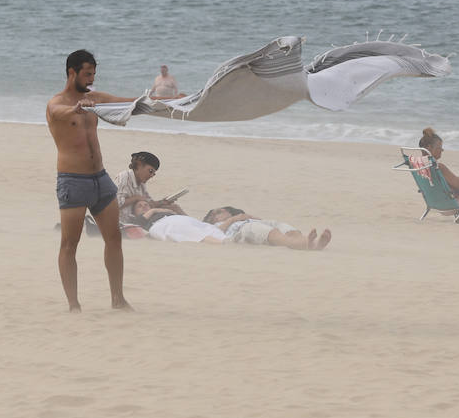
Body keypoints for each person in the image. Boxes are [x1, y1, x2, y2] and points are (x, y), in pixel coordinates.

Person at [47, 49, 179, 312]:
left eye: (94, 74)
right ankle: (74, 305)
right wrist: (75, 108)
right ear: (72, 72)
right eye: (87, 74)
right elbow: (59, 112)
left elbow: (130, 102)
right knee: (70, 244)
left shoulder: (94, 99)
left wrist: (175, 101)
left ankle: (118, 299)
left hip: (101, 180)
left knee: (114, 238)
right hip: (73, 182)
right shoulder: (57, 103)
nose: (91, 79)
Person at [202, 206, 331, 250]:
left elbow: (260, 220)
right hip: (243, 229)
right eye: (217, 213)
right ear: (212, 219)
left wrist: (246, 216)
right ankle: (306, 244)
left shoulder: (240, 216)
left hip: (254, 222)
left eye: (222, 210)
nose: (222, 211)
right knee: (273, 233)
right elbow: (217, 233)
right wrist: (234, 219)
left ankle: (312, 243)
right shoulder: (215, 226)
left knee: (286, 228)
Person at [114, 151, 183, 230]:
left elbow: (149, 203)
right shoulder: (124, 177)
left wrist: (163, 202)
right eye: (150, 171)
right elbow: (114, 205)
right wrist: (136, 198)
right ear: (139, 165)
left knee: (174, 207)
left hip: (138, 220)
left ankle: (196, 224)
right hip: (122, 224)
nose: (151, 176)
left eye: (153, 174)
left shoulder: (141, 183)